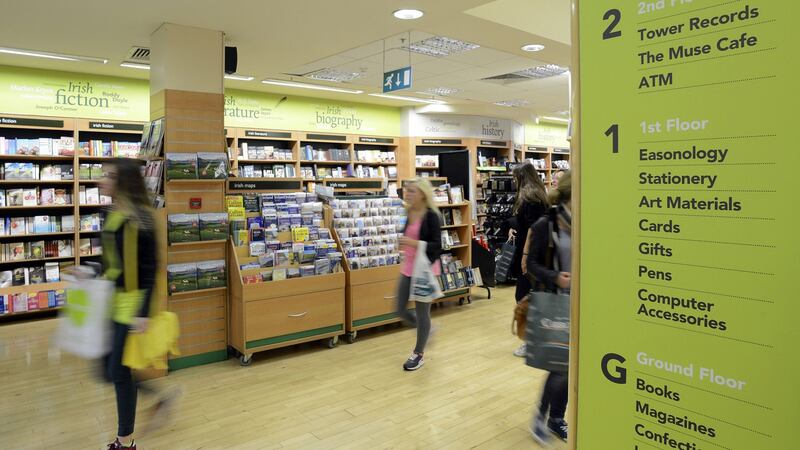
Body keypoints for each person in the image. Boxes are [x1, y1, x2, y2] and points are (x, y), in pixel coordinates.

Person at [99, 159, 177, 450]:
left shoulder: (143, 217)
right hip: (114, 300)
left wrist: (143, 313)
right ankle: (162, 397)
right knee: (110, 369)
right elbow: (110, 257)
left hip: (132, 305)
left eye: (110, 176)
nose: (102, 180)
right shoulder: (110, 213)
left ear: (124, 181)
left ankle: (125, 440)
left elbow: (150, 267)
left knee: (119, 371)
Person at [527, 170, 572, 444]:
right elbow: (531, 264)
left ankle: (556, 418)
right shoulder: (547, 224)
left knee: (569, 365)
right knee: (560, 365)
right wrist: (555, 276)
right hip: (557, 301)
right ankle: (541, 417)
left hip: (582, 303)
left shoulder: (586, 222)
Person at [396, 178, 443, 371]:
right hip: (408, 267)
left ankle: (418, 353)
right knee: (399, 308)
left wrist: (414, 244)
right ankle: (427, 329)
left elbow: (437, 246)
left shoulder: (432, 216)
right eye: (406, 191)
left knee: (423, 313)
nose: (407, 194)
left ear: (422, 194)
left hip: (425, 269)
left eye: (412, 191)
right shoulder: (408, 212)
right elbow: (406, 236)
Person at [509, 162, 549, 357]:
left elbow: (532, 229)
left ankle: (530, 340)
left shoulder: (529, 197)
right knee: (533, 295)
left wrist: (525, 256)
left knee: (523, 296)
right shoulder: (539, 194)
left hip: (530, 253)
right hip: (538, 253)